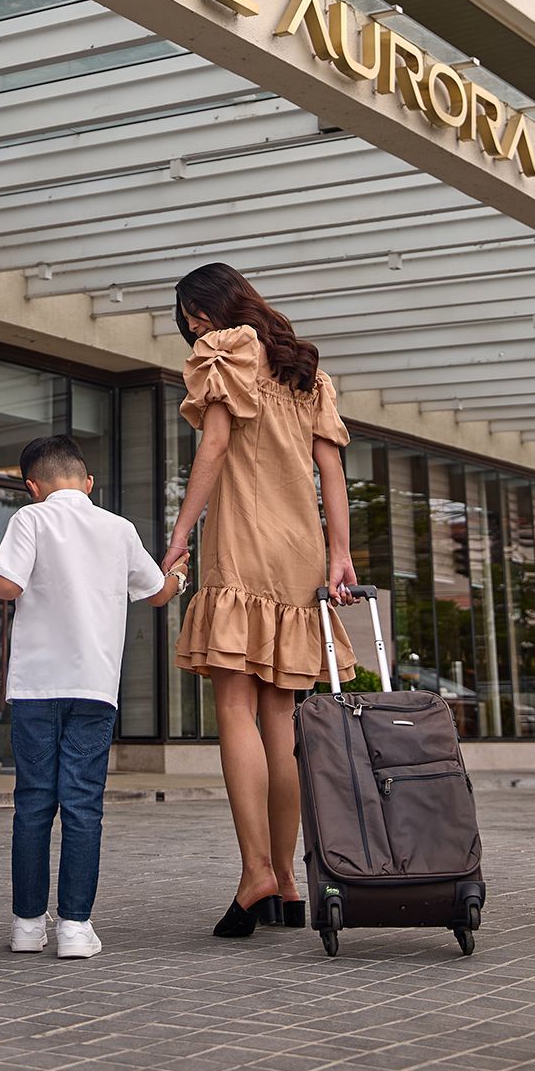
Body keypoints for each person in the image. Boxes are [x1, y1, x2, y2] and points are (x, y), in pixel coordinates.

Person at [161, 263, 358, 939]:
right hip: (298, 551)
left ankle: (255, 877)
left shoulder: (231, 349)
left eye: (193, 313)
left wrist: (180, 534)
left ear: (216, 304)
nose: (192, 327)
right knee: (281, 715)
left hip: (242, 542)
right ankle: (289, 878)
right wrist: (339, 554)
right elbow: (331, 469)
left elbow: (214, 445)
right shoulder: (307, 373)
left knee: (234, 705)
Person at [0, 434, 187, 961]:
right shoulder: (118, 528)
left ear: (33, 487)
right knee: (82, 806)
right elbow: (158, 592)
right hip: (95, 689)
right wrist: (181, 574)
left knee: (31, 805)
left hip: (36, 687)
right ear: (88, 482)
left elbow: (7, 584)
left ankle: (27, 925)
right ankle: (75, 926)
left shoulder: (31, 519)